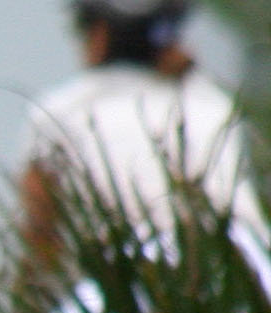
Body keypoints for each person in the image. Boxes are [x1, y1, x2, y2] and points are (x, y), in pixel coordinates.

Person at [20, 1, 267, 269]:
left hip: (135, 281)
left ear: (99, 35)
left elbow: (40, 235)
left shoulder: (64, 110)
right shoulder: (214, 103)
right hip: (248, 274)